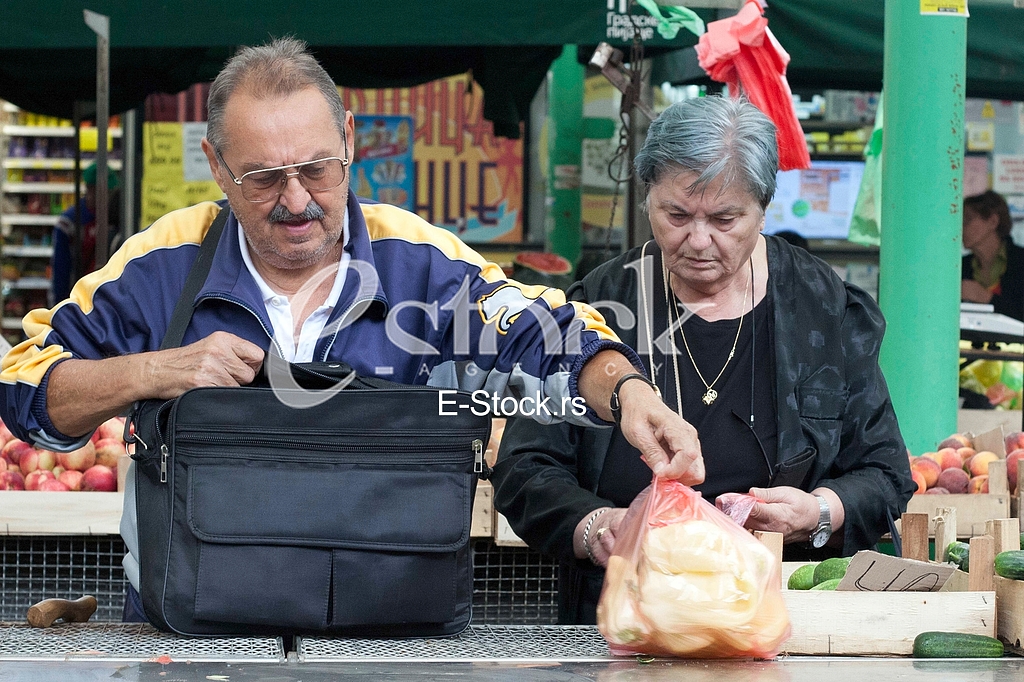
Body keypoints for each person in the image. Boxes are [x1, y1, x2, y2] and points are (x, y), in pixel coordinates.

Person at [0, 39, 703, 623]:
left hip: (390, 640)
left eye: (316, 169)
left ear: (349, 141)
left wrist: (631, 393)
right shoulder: (163, 264)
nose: (298, 200)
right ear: (217, 168)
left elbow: (549, 332)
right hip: (189, 638)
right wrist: (158, 372)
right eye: (265, 178)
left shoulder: (420, 262)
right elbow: (23, 384)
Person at [491, 96, 915, 624]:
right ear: (647, 199)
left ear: (763, 208)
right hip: (624, 619)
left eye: (724, 218)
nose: (697, 240)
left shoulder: (821, 306)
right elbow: (523, 466)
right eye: (675, 215)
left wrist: (818, 512)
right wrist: (600, 525)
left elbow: (885, 472)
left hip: (782, 623)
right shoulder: (599, 305)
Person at [51, 162, 121, 305]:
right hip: (79, 298)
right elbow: (61, 271)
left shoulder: (117, 217)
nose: (107, 198)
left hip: (107, 297)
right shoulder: (70, 223)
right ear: (90, 189)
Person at [961, 190, 1023, 321]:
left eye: (967, 220)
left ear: (993, 221)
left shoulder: (1020, 261)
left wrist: (987, 298)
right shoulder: (961, 266)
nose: (960, 227)